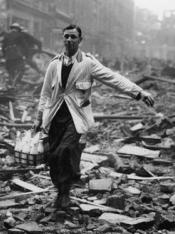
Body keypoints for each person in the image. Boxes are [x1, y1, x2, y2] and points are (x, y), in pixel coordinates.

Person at [34, 24, 154, 209]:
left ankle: (65, 191)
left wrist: (139, 92)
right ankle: (61, 188)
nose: (69, 40)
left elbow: (113, 78)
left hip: (76, 118)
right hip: (55, 117)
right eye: (66, 36)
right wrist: (38, 117)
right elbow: (45, 94)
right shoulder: (54, 64)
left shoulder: (88, 63)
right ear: (62, 38)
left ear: (80, 40)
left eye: (73, 37)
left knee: (65, 150)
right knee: (53, 156)